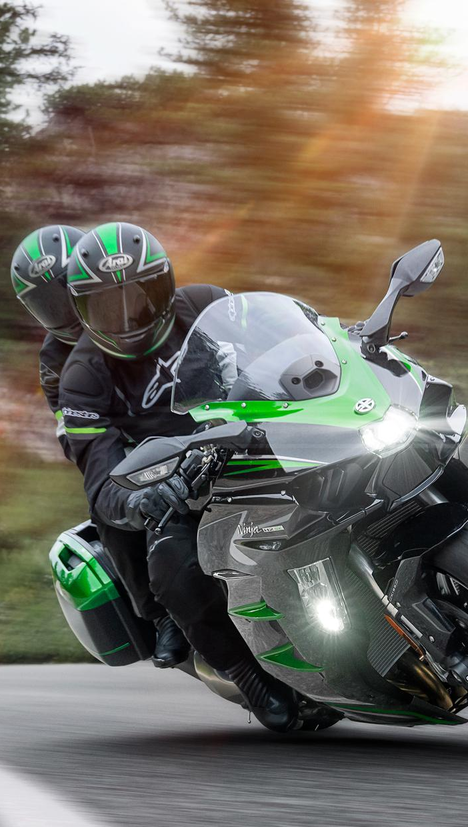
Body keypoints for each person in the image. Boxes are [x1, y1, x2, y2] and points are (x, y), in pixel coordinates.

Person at [59, 221, 299, 731]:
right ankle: (245, 674)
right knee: (173, 567)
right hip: (174, 475)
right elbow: (99, 478)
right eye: (107, 306)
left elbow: (289, 334)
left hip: (257, 433)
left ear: (165, 286)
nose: (128, 316)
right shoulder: (81, 375)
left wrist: (342, 343)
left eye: (141, 296)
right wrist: (138, 498)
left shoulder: (207, 302)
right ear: (81, 311)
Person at [11, 224, 190, 668]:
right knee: (108, 506)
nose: (64, 310)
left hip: (193, 417)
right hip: (129, 448)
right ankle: (160, 614)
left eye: (66, 292)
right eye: (48, 302)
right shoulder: (56, 360)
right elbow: (72, 430)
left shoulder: (150, 314)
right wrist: (117, 454)